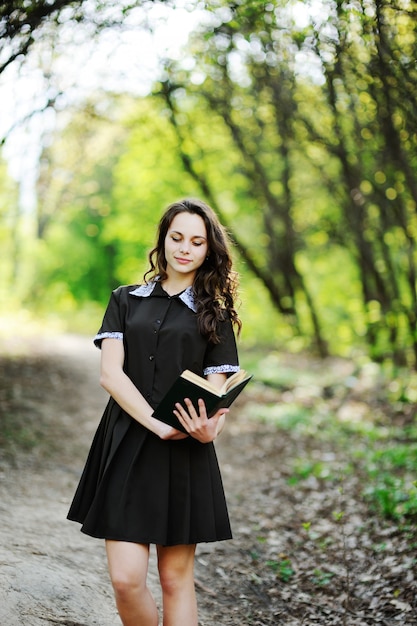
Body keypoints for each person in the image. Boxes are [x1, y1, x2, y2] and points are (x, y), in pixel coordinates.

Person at [67, 198, 242, 626]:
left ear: (208, 250)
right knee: (126, 580)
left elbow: (214, 395)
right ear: (163, 240)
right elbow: (111, 375)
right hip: (127, 443)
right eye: (176, 237)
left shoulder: (214, 315)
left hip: (184, 453)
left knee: (174, 580)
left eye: (197, 241)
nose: (184, 248)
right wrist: (154, 424)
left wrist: (207, 430)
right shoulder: (124, 300)